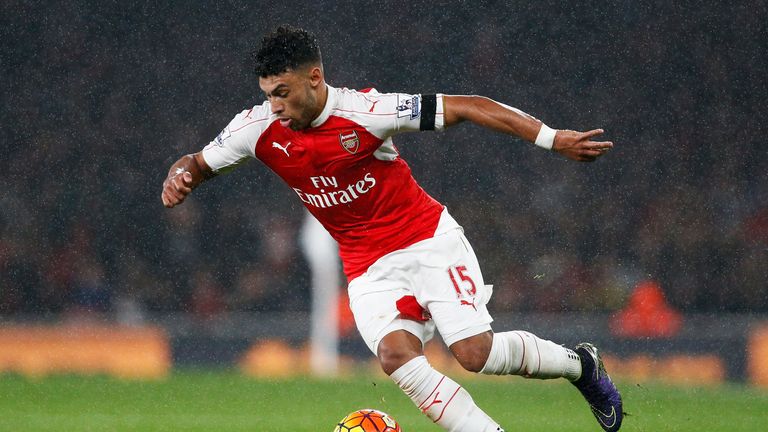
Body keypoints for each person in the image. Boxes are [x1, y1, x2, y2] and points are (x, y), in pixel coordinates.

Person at [161, 25, 623, 432]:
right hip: (366, 265)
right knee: (396, 356)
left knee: (473, 354)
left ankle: (579, 365)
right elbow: (198, 163)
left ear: (315, 78)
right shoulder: (256, 129)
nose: (274, 105)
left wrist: (551, 138)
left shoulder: (366, 112)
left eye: (283, 91)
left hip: (425, 239)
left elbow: (468, 106)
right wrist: (179, 177)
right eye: (267, 93)